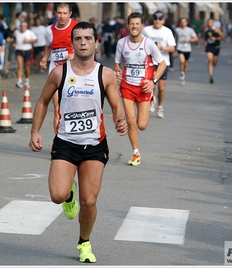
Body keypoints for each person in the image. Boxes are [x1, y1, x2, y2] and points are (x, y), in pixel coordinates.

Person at [29, 21, 127, 263]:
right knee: (57, 195)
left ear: (95, 42)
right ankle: (68, 196)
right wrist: (35, 132)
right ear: (72, 42)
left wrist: (120, 120)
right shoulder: (60, 72)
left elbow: (116, 105)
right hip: (65, 142)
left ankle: (84, 242)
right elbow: (42, 101)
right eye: (78, 38)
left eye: (87, 38)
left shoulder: (105, 75)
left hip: (95, 144)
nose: (83, 42)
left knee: (89, 201)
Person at [115, 12, 166, 166]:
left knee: (141, 125)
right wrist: (117, 71)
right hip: (127, 86)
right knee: (130, 121)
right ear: (127, 25)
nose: (134, 26)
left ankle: (152, 98)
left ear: (142, 26)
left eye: (137, 24)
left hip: (144, 87)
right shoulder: (121, 43)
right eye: (132, 24)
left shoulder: (148, 43)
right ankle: (135, 153)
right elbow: (117, 63)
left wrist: (154, 81)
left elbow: (162, 63)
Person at [40, 3, 78, 133]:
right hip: (55, 70)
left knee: (73, 108)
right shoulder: (49, 30)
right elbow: (49, 46)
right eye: (59, 13)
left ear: (70, 14)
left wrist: (74, 55)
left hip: (73, 71)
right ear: (55, 13)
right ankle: (59, 141)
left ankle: (73, 138)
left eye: (65, 13)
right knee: (57, 107)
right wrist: (45, 58)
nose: (62, 16)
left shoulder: (76, 27)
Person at [142, 11, 176, 118]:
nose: (157, 21)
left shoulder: (167, 32)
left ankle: (160, 106)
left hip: (163, 62)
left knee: (161, 87)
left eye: (160, 19)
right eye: (155, 19)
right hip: (150, 62)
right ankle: (152, 99)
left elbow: (172, 48)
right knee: (152, 84)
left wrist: (160, 48)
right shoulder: (146, 30)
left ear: (163, 21)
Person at [174, 17, 198, 86]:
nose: (183, 23)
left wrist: (190, 40)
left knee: (186, 64)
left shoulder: (190, 30)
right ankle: (181, 73)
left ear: (187, 23)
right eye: (182, 22)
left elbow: (196, 38)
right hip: (180, 48)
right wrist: (174, 47)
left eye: (184, 22)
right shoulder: (177, 30)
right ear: (180, 23)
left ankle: (184, 75)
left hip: (187, 49)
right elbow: (175, 38)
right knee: (182, 61)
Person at [13, 20, 37, 88]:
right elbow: (14, 38)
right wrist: (14, 43)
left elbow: (35, 40)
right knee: (20, 65)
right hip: (19, 50)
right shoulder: (16, 32)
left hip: (27, 50)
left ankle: (27, 80)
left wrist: (29, 41)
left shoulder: (30, 32)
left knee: (27, 67)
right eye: (21, 26)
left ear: (26, 26)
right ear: (20, 26)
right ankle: (19, 80)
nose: (23, 27)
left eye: (24, 26)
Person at [204, 18, 224, 84]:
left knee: (214, 63)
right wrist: (205, 41)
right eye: (208, 22)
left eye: (211, 22)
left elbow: (223, 37)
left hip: (216, 47)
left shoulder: (217, 29)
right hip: (209, 47)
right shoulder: (206, 30)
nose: (209, 24)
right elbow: (205, 37)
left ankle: (212, 67)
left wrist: (215, 38)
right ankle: (211, 76)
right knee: (210, 60)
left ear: (213, 23)